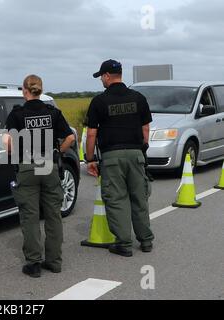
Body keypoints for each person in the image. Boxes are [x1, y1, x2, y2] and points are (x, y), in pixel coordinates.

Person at [3, 75, 75, 278]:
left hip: (27, 166)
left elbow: (8, 143)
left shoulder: (18, 114)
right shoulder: (52, 112)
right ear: (41, 90)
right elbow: (70, 136)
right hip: (49, 166)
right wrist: (57, 152)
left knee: (30, 216)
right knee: (53, 214)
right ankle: (54, 262)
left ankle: (34, 264)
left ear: (25, 91)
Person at [85, 59, 155, 257]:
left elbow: (91, 134)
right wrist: (142, 149)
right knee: (139, 197)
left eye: (101, 77)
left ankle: (124, 243)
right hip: (136, 153)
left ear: (107, 76)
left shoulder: (99, 101)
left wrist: (89, 158)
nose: (101, 81)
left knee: (116, 199)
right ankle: (146, 240)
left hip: (112, 156)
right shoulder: (138, 98)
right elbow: (145, 128)